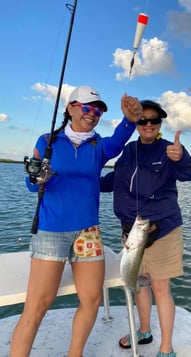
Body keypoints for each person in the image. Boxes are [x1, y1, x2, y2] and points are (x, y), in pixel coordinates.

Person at [10, 86, 143, 357]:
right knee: (38, 304)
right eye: (87, 108)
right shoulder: (47, 141)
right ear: (70, 107)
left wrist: (130, 120)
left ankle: (75, 354)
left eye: (98, 111)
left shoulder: (98, 146)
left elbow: (117, 141)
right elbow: (31, 185)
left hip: (88, 232)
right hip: (51, 231)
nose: (93, 114)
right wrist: (38, 178)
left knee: (92, 300)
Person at [100, 100, 191, 357]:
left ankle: (166, 348)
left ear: (160, 124)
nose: (149, 124)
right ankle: (144, 331)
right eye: (143, 120)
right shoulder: (128, 150)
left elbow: (188, 174)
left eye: (154, 120)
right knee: (139, 284)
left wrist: (182, 156)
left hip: (162, 229)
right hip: (131, 232)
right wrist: (84, 181)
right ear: (136, 123)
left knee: (161, 287)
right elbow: (113, 181)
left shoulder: (169, 150)